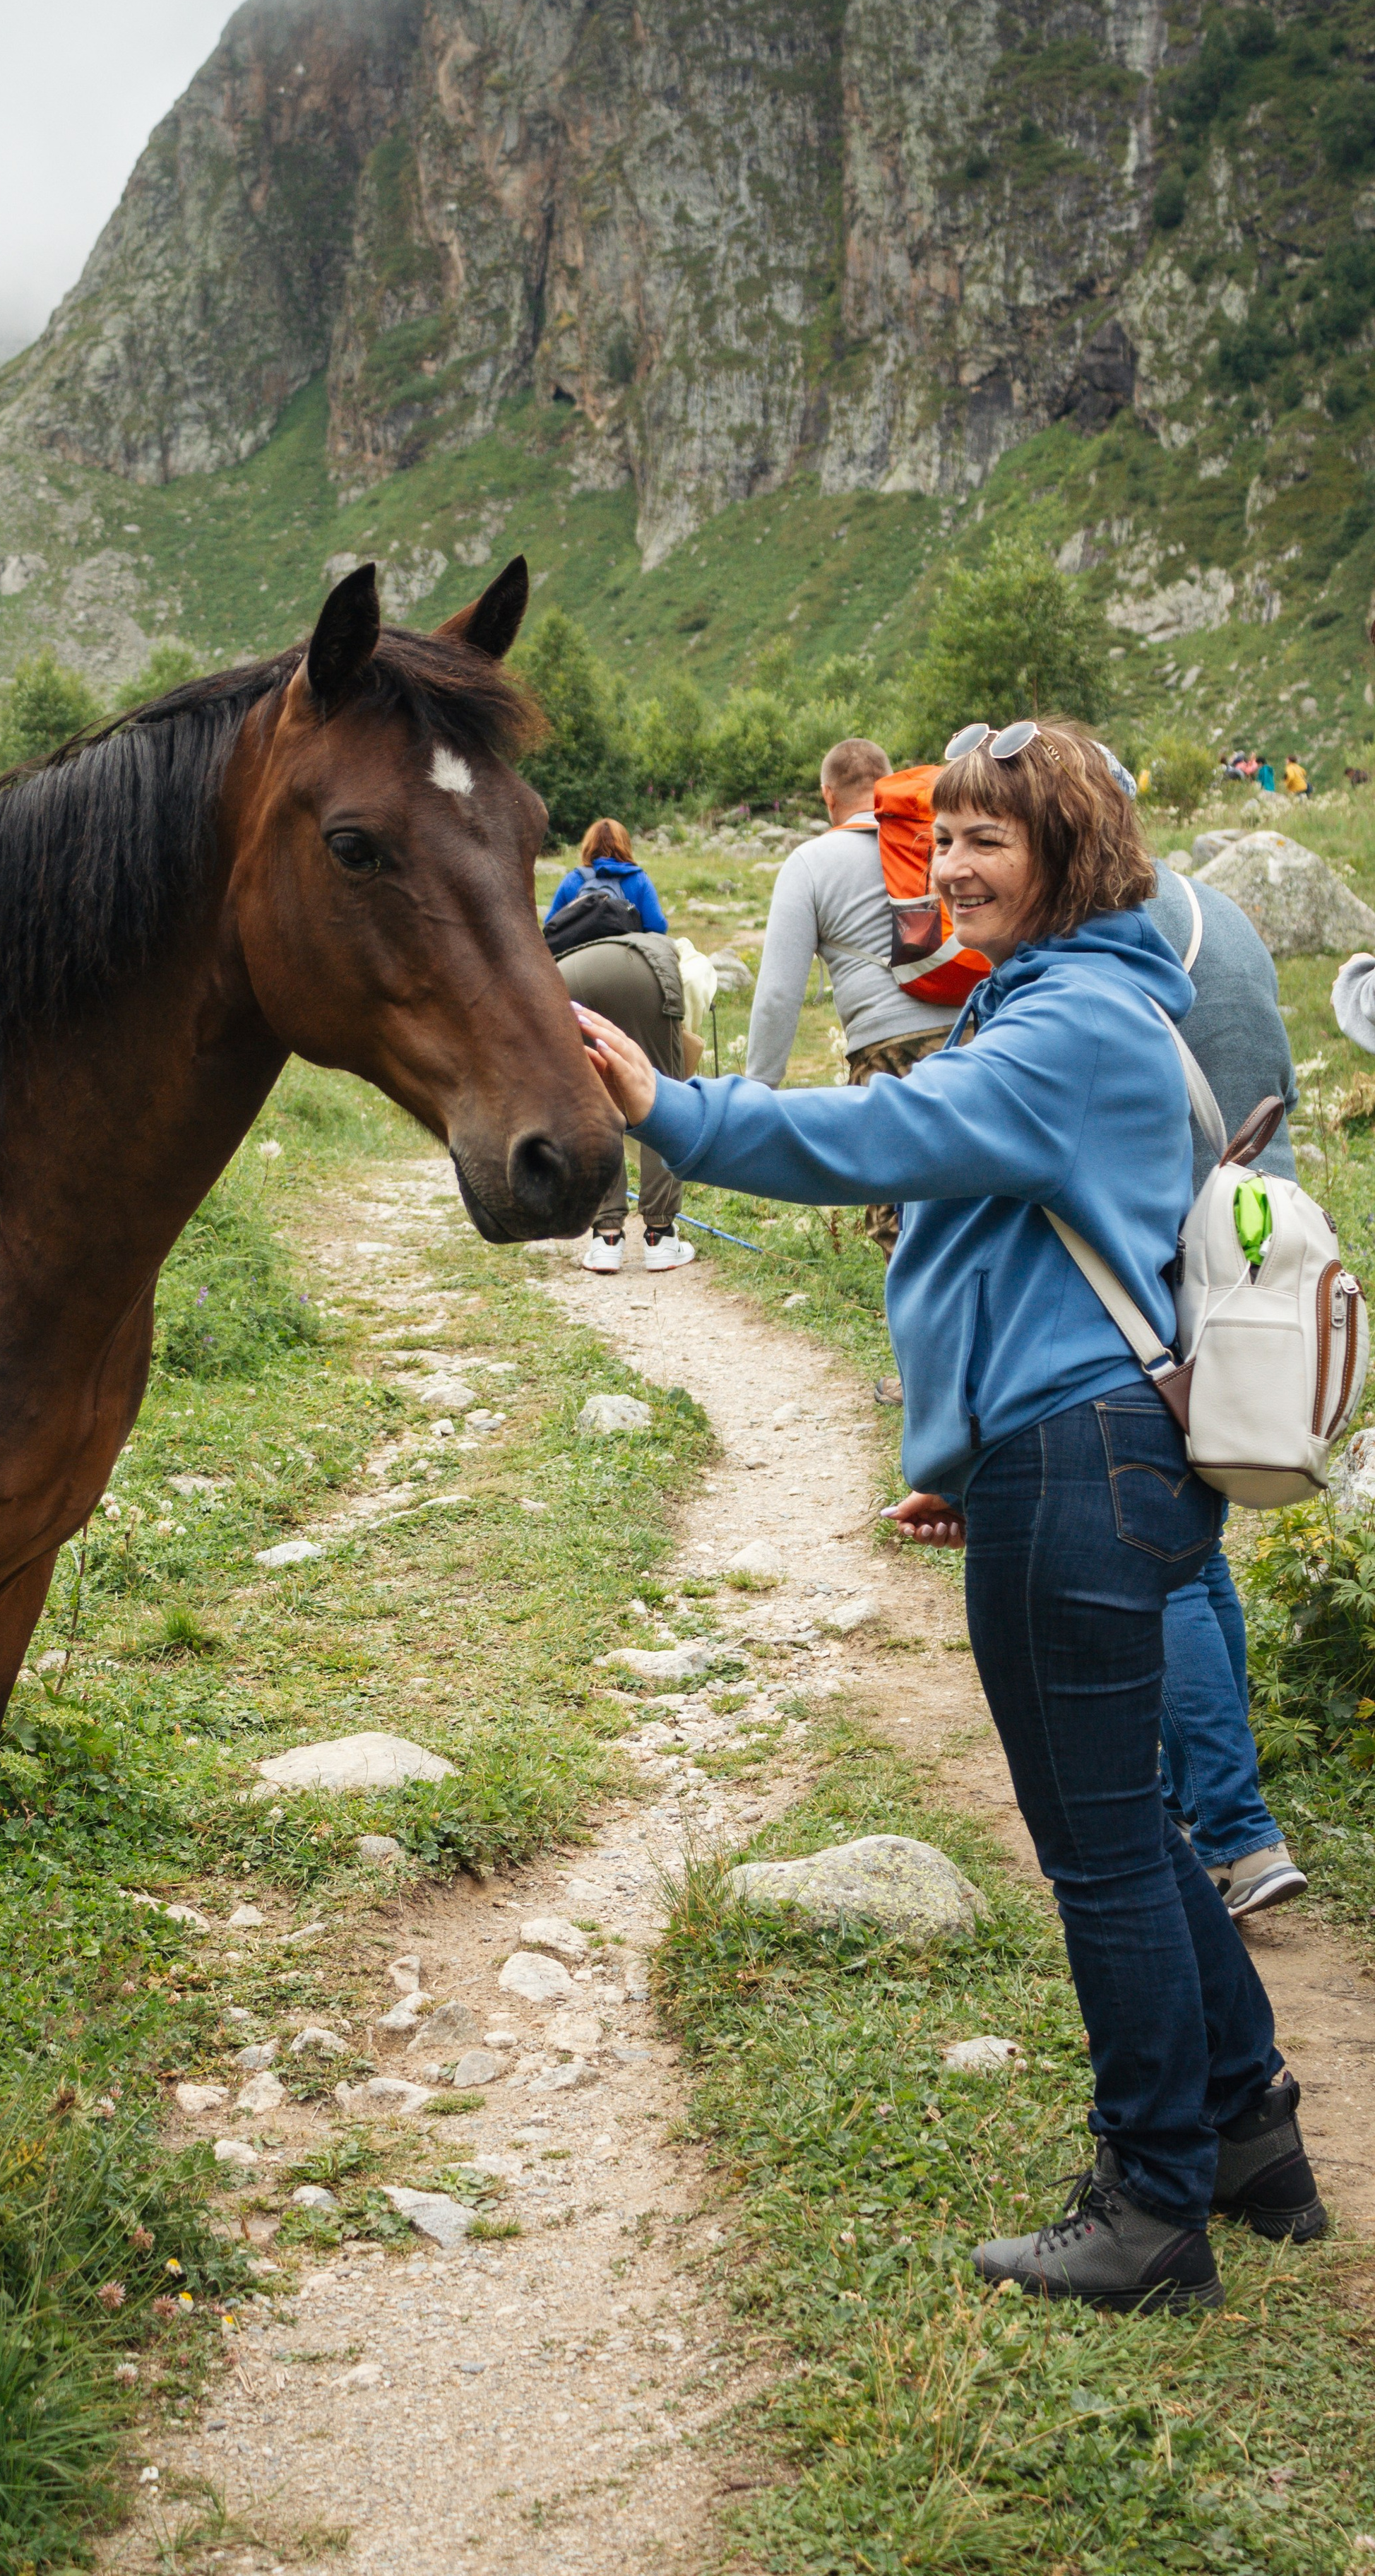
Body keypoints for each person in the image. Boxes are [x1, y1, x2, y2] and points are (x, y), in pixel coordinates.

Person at [573, 719, 1323, 2311]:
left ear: (1074, 857)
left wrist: (668, 1107)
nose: (954, 868)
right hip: (1082, 1455)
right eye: (948, 837)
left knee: (1100, 1858)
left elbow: (877, 1137)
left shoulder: (1070, 1024)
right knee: (1132, 1826)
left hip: (1079, 1465)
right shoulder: (1072, 1001)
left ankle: (1149, 2206)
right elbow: (1014, 1253)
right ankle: (1249, 2134)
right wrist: (971, 1453)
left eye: (994, 839)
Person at [1146, 854, 1308, 1920]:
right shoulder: (1223, 909)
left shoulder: (1124, 922)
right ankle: (1201, 1812)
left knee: (1161, 1563)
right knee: (1196, 1552)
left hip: (1182, 1262)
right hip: (1263, 1253)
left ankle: (1238, 1833)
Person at [746, 738, 963, 1257]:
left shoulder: (811, 861)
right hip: (975, 1036)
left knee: (901, 1223)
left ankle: (925, 1309)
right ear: (888, 783)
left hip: (888, 1057)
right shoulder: (937, 841)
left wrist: (755, 1093)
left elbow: (778, 993)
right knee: (980, 1203)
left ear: (828, 795)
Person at [554, 924, 694, 1276]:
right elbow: (694, 991)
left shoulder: (575, 939)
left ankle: (606, 1239)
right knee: (662, 1094)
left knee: (593, 1101)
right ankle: (660, 1236)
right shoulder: (667, 946)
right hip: (642, 979)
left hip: (563, 981)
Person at [544, 819, 669, 935]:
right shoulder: (639, 879)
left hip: (581, 950)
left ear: (588, 846)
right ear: (625, 845)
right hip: (627, 949)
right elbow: (657, 926)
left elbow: (550, 926)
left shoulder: (572, 880)